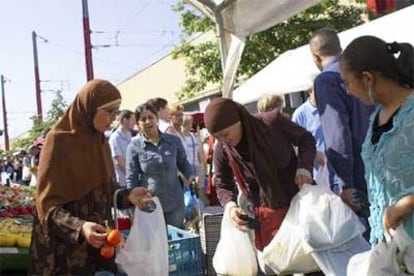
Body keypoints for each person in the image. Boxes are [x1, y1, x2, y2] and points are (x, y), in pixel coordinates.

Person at [29, 79, 152, 275]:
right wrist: (80, 227)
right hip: (66, 254)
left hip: (99, 246)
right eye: (109, 112)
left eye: (116, 112)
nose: (113, 118)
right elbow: (46, 206)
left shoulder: (100, 142)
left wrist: (128, 196)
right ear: (90, 107)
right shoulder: (58, 141)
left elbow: (106, 190)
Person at [205, 97, 316, 251]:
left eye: (225, 134)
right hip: (266, 217)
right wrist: (230, 206)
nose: (223, 140)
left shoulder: (271, 123)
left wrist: (304, 168)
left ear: (238, 121)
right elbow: (222, 182)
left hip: (299, 205)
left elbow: (306, 139)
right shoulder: (223, 148)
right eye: (217, 137)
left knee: (309, 260)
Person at [340, 36, 414, 244]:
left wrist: (408, 202)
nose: (348, 91)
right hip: (392, 252)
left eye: (347, 83)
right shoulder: (375, 118)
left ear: (367, 78)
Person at [309, 28, 375, 223]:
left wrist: (344, 183)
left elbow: (337, 133)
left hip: (356, 174)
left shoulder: (326, 80)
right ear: (341, 48)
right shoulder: (361, 70)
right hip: (379, 162)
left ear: (315, 57)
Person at [126, 103, 195, 228]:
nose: (148, 122)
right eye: (143, 119)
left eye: (150, 117)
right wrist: (134, 205)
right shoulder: (134, 147)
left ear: (156, 119)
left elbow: (183, 163)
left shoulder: (173, 141)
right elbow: (131, 179)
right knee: (155, 244)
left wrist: (191, 175)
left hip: (175, 203)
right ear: (138, 124)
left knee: (177, 242)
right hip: (150, 206)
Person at [292, 78, 327, 186]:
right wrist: (314, 153)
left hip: (335, 170)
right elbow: (295, 145)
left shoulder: (330, 107)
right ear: (310, 91)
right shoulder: (300, 115)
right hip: (316, 174)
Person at [182, 114, 208, 201]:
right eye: (189, 124)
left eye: (191, 123)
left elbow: (200, 152)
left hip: (197, 165)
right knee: (190, 190)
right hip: (187, 167)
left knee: (200, 188)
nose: (191, 126)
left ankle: (201, 204)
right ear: (184, 124)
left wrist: (202, 163)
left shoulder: (193, 136)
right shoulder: (180, 138)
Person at [109, 109, 136, 187]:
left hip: (132, 179)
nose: (134, 122)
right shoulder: (115, 138)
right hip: (123, 181)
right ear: (124, 120)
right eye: (132, 119)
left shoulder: (129, 134)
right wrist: (131, 176)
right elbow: (119, 162)